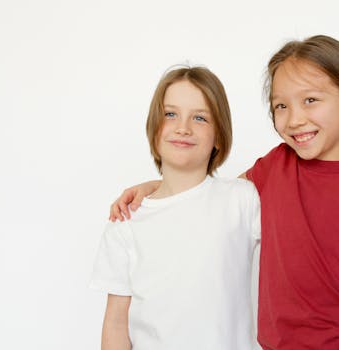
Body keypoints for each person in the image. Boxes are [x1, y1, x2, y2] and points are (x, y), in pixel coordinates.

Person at [110, 35, 339, 350]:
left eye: (310, 100)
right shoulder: (275, 166)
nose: (294, 119)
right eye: (281, 105)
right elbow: (212, 196)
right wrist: (155, 188)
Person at [90, 66, 261, 349]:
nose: (183, 127)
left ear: (219, 136)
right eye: (171, 114)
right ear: (154, 128)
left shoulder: (242, 200)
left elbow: (302, 188)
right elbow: (116, 323)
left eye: (200, 117)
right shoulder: (127, 220)